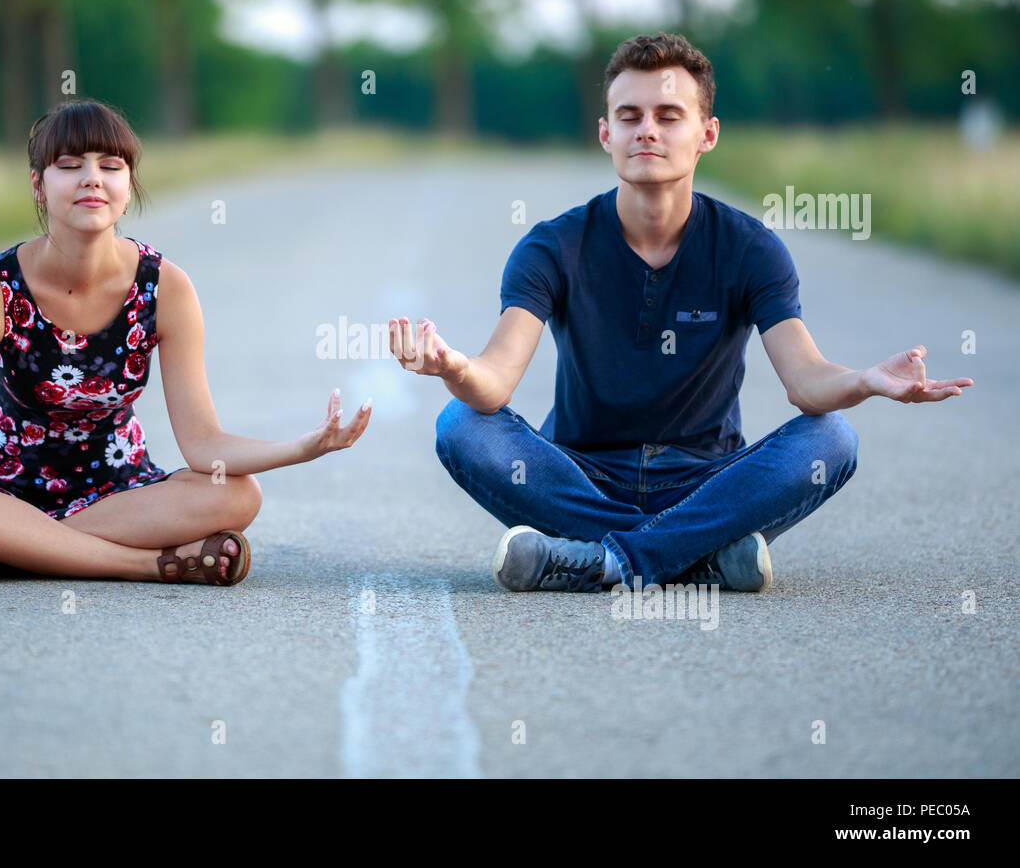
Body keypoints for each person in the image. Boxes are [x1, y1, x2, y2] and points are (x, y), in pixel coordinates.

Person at [388, 32, 972, 594]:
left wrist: (865, 381)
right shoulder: (551, 246)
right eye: (629, 116)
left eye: (668, 116)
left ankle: (599, 560)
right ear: (604, 133)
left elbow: (807, 383)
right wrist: (455, 368)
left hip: (707, 484)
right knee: (459, 423)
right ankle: (697, 559)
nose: (647, 131)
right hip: (580, 477)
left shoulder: (750, 247)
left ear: (706, 134)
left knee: (834, 439)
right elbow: (494, 384)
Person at [0, 99, 371, 586]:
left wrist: (305, 446)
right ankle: (148, 566)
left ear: (129, 183)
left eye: (110, 164)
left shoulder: (166, 288)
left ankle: (9, 552)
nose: (92, 176)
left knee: (238, 496)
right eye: (70, 164)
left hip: (115, 491)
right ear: (39, 186)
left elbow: (205, 445)